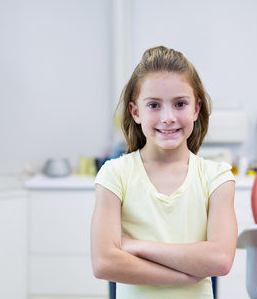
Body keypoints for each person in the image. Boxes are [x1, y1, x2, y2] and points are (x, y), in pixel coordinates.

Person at [90, 46, 237, 298]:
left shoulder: (217, 178)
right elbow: (104, 262)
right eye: (154, 105)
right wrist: (185, 274)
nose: (168, 117)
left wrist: (135, 246)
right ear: (135, 112)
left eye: (180, 103)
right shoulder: (114, 174)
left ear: (196, 109)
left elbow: (220, 259)